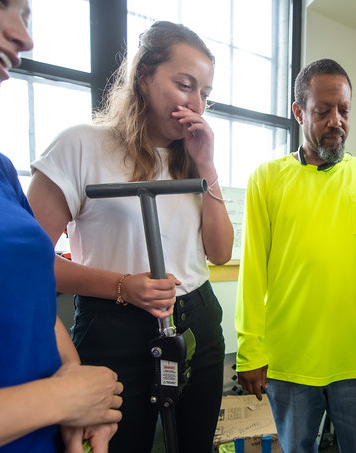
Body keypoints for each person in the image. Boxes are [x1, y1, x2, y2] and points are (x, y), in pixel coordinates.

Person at [27, 21, 233, 453]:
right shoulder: (81, 146)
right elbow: (27, 264)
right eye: (184, 85)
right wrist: (123, 286)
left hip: (195, 318)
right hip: (114, 324)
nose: (196, 104)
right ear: (144, 76)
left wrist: (207, 166)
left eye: (206, 94)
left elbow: (220, 252)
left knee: (194, 445)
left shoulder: (193, 159)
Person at [0, 0, 124, 452]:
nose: (25, 38)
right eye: (2, 2)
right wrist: (58, 399)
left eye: (29, 16)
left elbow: (33, 290)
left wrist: (75, 382)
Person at [235, 58, 356, 453]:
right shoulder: (266, 179)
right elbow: (253, 271)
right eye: (322, 111)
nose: (336, 121)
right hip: (290, 361)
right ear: (299, 112)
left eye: (344, 111)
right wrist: (249, 351)